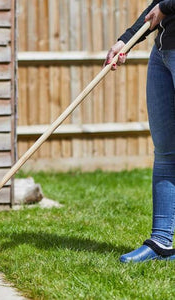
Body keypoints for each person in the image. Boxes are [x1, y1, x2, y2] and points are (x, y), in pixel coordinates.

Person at [104, 0, 175, 263]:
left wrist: (168, 6)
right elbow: (158, 6)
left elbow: (164, 5)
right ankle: (161, 242)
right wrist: (125, 41)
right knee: (166, 151)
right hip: (163, 52)